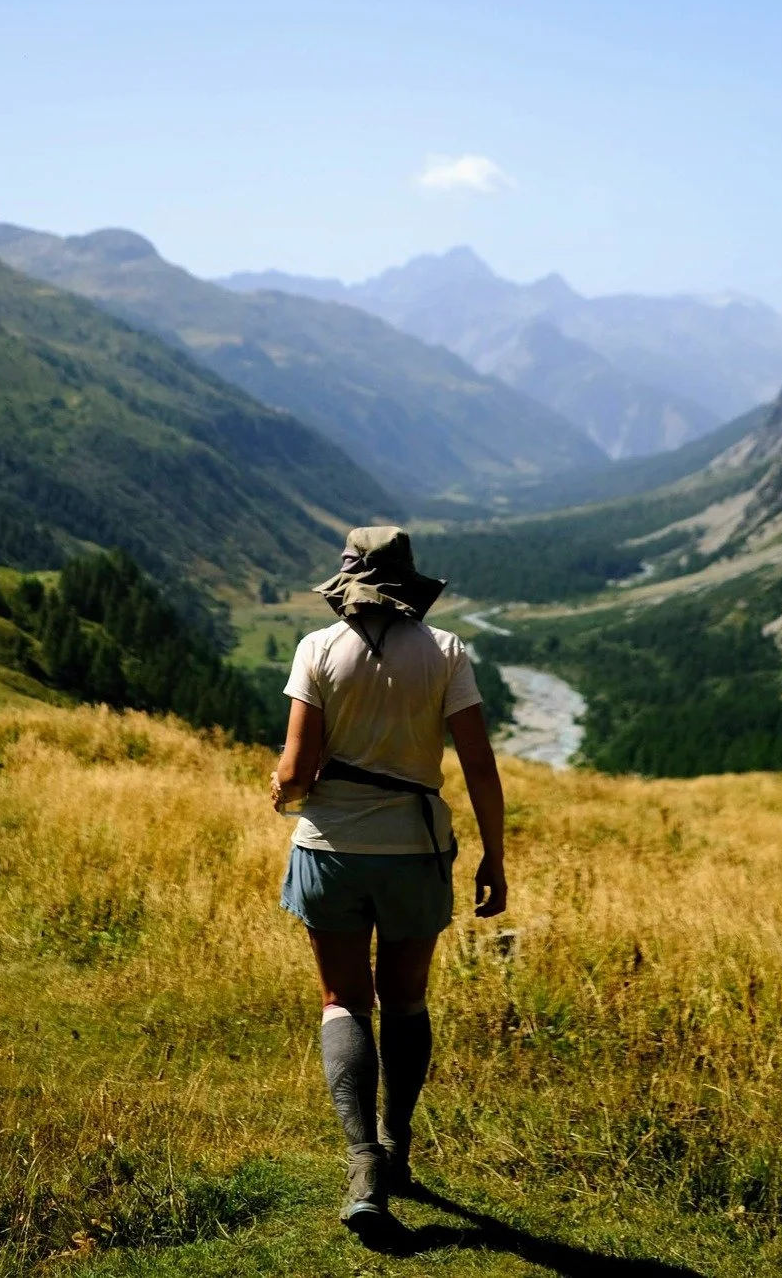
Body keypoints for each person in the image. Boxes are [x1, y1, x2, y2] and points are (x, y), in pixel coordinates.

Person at [271, 526, 507, 1240]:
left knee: (344, 1000)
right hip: (416, 850)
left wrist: (281, 792)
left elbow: (294, 772)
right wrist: (494, 857)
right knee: (406, 1000)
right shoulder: (446, 653)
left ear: (347, 583)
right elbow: (478, 766)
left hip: (331, 850)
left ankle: (362, 1163)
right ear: (408, 584)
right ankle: (398, 1145)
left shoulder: (316, 649)